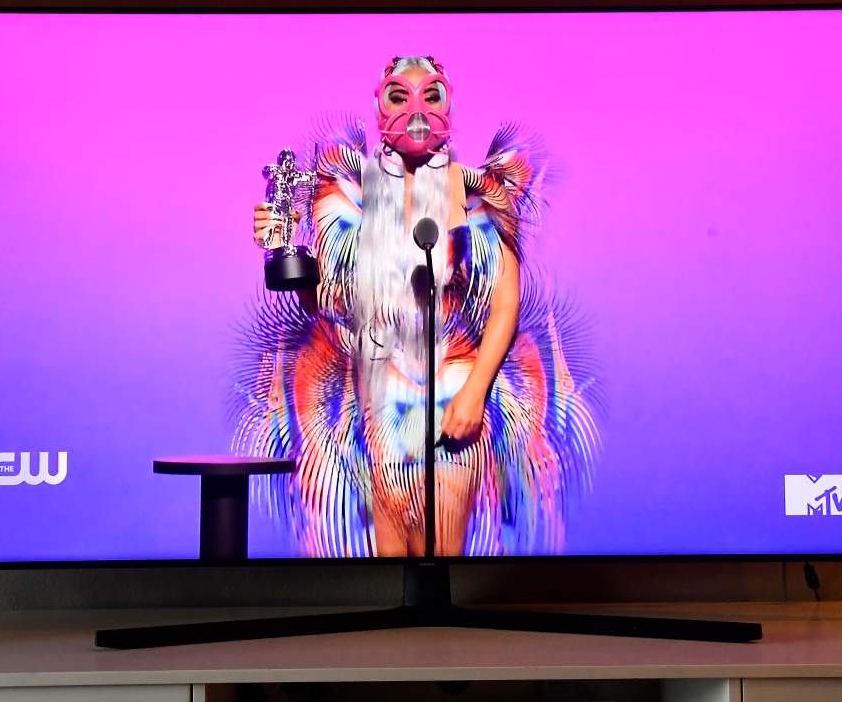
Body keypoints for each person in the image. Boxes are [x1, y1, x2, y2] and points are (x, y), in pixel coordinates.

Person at [236, 56, 597, 557]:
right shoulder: (362, 200)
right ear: (379, 107)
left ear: (448, 104)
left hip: (452, 393)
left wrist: (474, 394)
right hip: (379, 400)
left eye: (431, 95)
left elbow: (505, 304)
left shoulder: (480, 194)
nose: (417, 111)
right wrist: (282, 249)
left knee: (440, 555)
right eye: (399, 96)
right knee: (389, 562)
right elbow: (335, 308)